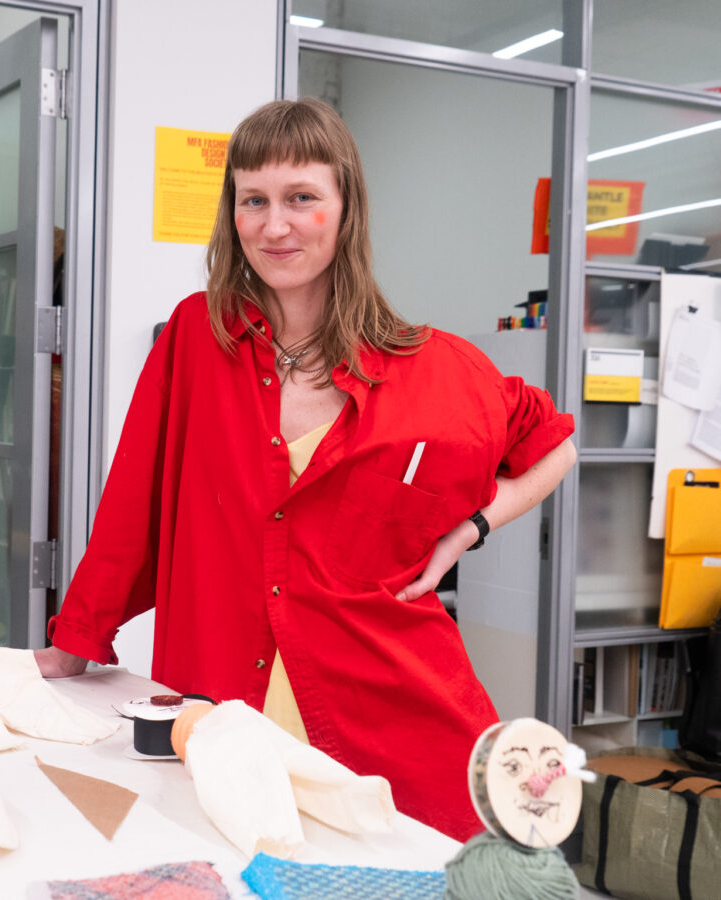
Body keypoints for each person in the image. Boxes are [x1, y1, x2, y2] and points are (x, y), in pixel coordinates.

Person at [34, 98, 576, 841]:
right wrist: (75, 643)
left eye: (301, 199)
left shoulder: (431, 366)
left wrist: (469, 530)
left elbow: (555, 445)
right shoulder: (197, 337)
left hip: (386, 706)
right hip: (227, 710)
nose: (274, 225)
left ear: (346, 210)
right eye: (253, 200)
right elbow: (133, 501)